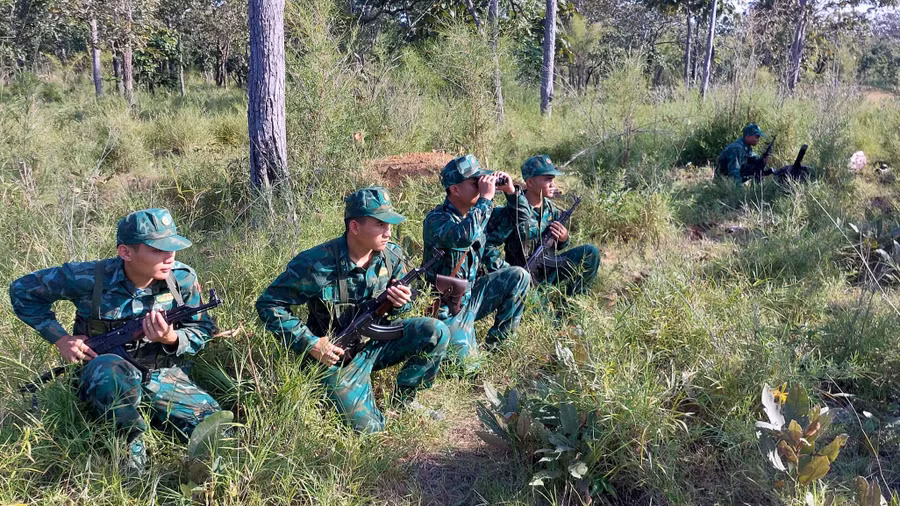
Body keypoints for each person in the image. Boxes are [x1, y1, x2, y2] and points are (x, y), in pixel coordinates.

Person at [9, 208, 222, 474]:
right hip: (104, 373)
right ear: (126, 252)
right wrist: (61, 339)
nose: (169, 257)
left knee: (213, 425)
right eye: (157, 250)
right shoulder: (89, 277)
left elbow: (201, 327)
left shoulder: (182, 278)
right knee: (110, 372)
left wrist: (171, 337)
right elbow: (22, 290)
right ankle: (131, 462)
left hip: (160, 371)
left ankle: (203, 477)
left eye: (173, 248)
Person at [256, 187, 449, 433]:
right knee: (370, 430)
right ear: (355, 227)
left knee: (436, 331)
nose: (388, 232)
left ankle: (404, 402)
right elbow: (269, 304)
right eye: (380, 224)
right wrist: (311, 343)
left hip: (377, 344)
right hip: (336, 357)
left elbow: (400, 311)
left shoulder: (391, 256)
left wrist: (403, 302)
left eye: (389, 224)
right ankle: (349, 396)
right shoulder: (316, 264)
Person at [422, 154, 530, 374]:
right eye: (474, 183)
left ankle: (499, 346)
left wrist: (511, 192)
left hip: (472, 297)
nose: (481, 186)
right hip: (446, 309)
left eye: (482, 180)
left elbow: (521, 220)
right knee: (468, 370)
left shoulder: (480, 213)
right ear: (454, 189)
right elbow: (464, 236)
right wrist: (485, 200)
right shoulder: (436, 220)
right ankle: (457, 338)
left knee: (518, 276)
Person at [486, 154, 600, 295]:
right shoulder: (513, 211)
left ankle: (571, 299)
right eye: (547, 179)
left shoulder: (552, 211)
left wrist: (564, 239)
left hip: (548, 271)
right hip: (524, 280)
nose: (553, 184)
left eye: (552, 179)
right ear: (530, 182)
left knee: (591, 253)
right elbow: (488, 245)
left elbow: (557, 245)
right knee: (543, 313)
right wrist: (507, 272)